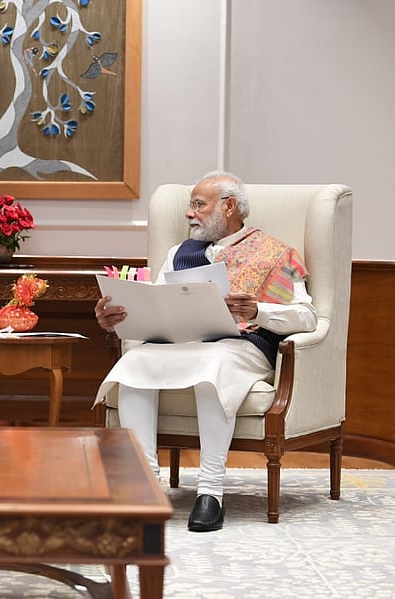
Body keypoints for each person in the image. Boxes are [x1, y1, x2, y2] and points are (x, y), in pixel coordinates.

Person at [94, 171, 317, 532]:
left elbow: (307, 317)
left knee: (212, 365)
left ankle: (210, 492)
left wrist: (258, 311)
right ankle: (146, 484)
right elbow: (157, 304)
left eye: (199, 205)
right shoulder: (179, 253)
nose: (189, 214)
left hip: (241, 347)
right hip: (182, 344)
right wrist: (117, 317)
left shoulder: (278, 254)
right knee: (135, 361)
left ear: (229, 207)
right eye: (190, 205)